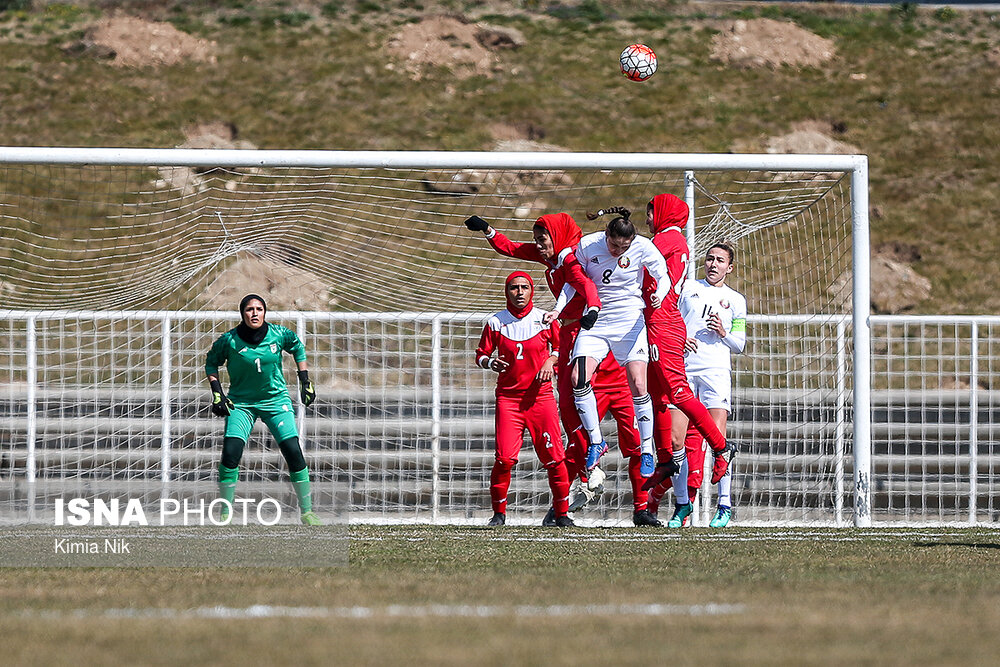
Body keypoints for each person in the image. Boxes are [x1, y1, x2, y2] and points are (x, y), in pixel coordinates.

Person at [465, 213, 659, 527]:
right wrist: (488, 229)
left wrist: (593, 309)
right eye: (538, 240)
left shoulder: (570, 260)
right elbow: (513, 248)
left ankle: (640, 507)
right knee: (571, 421)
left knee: (629, 432)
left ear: (556, 235)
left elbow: (586, 286)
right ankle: (583, 479)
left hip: (599, 343)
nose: (538, 246)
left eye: (543, 239)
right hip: (573, 339)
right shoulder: (552, 257)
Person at [548, 209, 669, 487]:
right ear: (606, 236)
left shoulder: (643, 247)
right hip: (598, 320)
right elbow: (572, 280)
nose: (618, 251)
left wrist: (659, 295)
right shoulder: (588, 246)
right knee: (579, 379)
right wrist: (557, 309)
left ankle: (647, 448)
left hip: (630, 322)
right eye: (614, 245)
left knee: (639, 384)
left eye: (623, 248)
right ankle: (597, 442)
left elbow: (663, 275)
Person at [641, 194, 735, 528]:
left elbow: (739, 341)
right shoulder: (674, 253)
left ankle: (721, 453)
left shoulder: (665, 240)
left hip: (693, 351)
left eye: (651, 211)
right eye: (709, 258)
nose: (648, 216)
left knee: (676, 398)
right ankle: (666, 466)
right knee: (654, 398)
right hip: (657, 329)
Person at [205, 294, 321, 525]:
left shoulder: (279, 334)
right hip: (242, 404)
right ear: (242, 313)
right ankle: (225, 512)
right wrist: (217, 392)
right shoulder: (229, 340)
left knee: (293, 452)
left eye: (259, 309)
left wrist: (305, 379)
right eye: (249, 309)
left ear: (265, 312)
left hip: (276, 401)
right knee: (230, 454)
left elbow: (298, 348)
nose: (255, 313)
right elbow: (211, 361)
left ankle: (307, 512)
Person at [475, 271, 573, 527]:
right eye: (514, 288)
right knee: (504, 458)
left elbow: (561, 348)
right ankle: (498, 515)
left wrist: (551, 361)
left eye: (524, 287)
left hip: (541, 399)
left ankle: (562, 515)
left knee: (555, 458)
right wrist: (490, 362)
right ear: (507, 292)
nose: (519, 293)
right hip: (509, 399)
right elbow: (481, 354)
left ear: (532, 291)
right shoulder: (496, 322)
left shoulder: (544, 319)